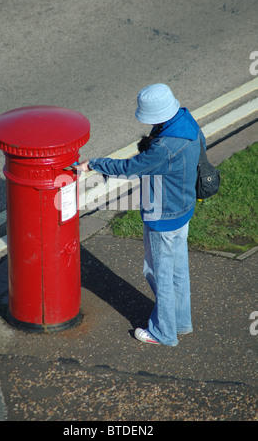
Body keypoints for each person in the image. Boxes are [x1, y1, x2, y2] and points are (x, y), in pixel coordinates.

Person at [75, 83, 206, 347]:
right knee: (178, 270)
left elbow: (131, 167)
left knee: (159, 273)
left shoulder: (164, 147)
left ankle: (163, 333)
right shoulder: (185, 120)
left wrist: (94, 164)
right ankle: (180, 322)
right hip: (183, 209)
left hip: (163, 217)